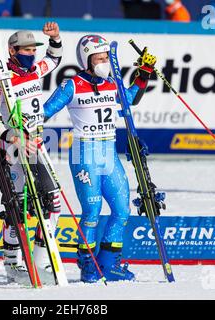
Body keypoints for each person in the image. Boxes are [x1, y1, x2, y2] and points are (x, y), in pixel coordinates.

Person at [43, 34, 156, 283]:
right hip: (84, 153)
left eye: (106, 57)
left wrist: (145, 72)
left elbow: (131, 99)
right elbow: (45, 111)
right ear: (86, 59)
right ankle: (87, 264)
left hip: (108, 152)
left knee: (121, 210)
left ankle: (108, 263)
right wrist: (29, 128)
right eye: (99, 58)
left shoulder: (112, 83)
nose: (104, 62)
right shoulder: (71, 85)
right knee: (92, 212)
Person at [0, 22, 62, 284]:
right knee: (17, 207)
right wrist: (12, 135)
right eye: (26, 50)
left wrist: (55, 38)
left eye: (33, 49)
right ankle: (12, 263)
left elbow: (54, 58)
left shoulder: (36, 69)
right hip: (15, 149)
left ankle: (39, 262)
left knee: (52, 203)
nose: (31, 54)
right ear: (12, 51)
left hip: (38, 144)